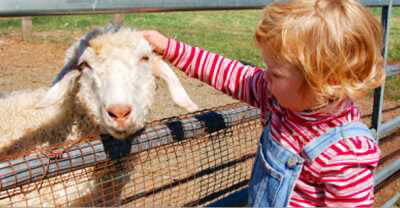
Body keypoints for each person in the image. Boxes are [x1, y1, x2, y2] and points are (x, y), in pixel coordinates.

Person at [142, 0, 384, 206]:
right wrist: (170, 48)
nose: (264, 75)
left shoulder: (347, 153)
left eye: (276, 72)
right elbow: (228, 73)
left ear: (324, 82)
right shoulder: (275, 96)